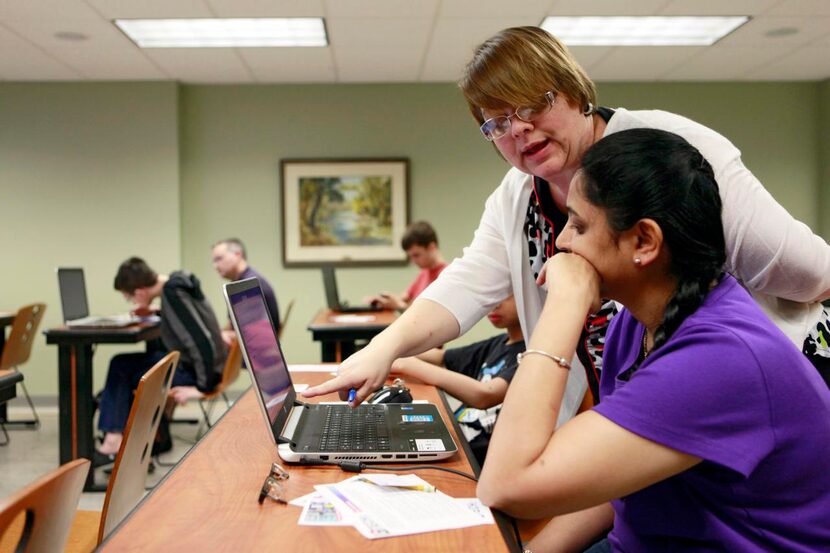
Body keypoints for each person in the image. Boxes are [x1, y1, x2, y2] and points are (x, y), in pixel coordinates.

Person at [304, 26, 830, 417]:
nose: (520, 128)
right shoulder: (517, 195)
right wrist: (383, 348)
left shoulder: (665, 150)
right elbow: (467, 284)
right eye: (498, 122)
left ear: (576, 92)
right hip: (619, 408)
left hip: (725, 395)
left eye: (534, 102)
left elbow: (809, 272)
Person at [478, 128, 830, 551]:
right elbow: (617, 478)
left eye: (579, 224)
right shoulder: (637, 323)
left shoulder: (720, 359)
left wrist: (564, 305)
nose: (563, 242)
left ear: (644, 241)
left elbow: (506, 485)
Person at [95, 257, 226, 465]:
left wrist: (203, 386)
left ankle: (113, 441)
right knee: (126, 365)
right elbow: (193, 323)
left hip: (194, 371)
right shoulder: (177, 284)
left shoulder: (172, 294)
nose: (133, 302)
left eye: (130, 298)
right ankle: (137, 439)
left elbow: (200, 341)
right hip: (200, 365)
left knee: (121, 367)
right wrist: (160, 312)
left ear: (139, 292)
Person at [390, 295, 524, 465]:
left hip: (476, 457)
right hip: (456, 437)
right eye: (495, 294)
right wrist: (390, 349)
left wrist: (407, 365)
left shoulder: (532, 354)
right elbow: (441, 356)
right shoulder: (501, 342)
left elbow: (485, 395)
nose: (494, 304)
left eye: (507, 295)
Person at [212, 238, 280, 345]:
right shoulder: (243, 282)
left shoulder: (247, 286)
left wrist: (218, 336)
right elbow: (233, 326)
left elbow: (253, 336)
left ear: (237, 255)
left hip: (256, 355)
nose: (215, 266)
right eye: (214, 261)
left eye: (219, 259)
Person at [366, 221, 447, 311]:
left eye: (416, 255)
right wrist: (384, 301)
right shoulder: (424, 273)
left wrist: (399, 306)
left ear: (432, 247)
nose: (413, 261)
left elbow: (431, 314)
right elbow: (404, 298)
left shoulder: (446, 276)